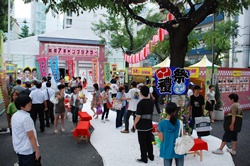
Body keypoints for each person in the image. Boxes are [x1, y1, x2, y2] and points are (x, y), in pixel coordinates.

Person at [12, 95, 40, 166]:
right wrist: (37, 151)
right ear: (22, 106)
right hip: (27, 149)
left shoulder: (15, 115)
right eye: (28, 104)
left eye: (30, 103)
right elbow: (31, 136)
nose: (30, 105)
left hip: (19, 147)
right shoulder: (26, 118)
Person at [134, 86, 154, 163]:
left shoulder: (141, 103)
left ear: (141, 93)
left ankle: (144, 158)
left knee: (142, 142)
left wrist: (134, 124)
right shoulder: (151, 101)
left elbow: (138, 116)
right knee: (149, 141)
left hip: (142, 126)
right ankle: (151, 156)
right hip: (149, 124)